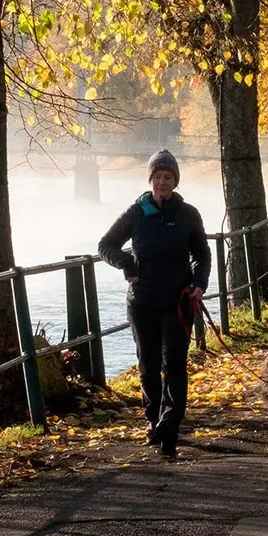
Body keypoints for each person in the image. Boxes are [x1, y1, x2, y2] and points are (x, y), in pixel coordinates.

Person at [97, 149, 210, 460]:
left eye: (168, 177)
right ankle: (152, 419)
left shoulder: (188, 214)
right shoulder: (135, 213)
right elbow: (105, 245)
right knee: (148, 365)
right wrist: (126, 265)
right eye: (158, 177)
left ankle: (170, 424)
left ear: (175, 181)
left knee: (174, 362)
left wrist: (199, 284)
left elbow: (203, 254)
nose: (163, 182)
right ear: (150, 180)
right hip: (142, 301)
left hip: (177, 302)